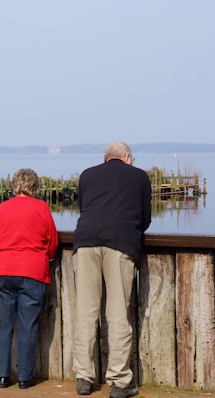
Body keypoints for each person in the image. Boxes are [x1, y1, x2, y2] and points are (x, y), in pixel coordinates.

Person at [72, 142, 151, 398]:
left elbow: (84, 208)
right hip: (120, 243)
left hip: (85, 242)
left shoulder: (87, 174)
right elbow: (145, 218)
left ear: (106, 158)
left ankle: (84, 378)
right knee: (117, 314)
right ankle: (119, 382)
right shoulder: (139, 176)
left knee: (86, 311)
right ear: (127, 157)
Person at [0, 168, 58, 389]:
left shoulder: (2, 208)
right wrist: (46, 256)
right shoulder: (42, 208)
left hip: (3, 270)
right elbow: (52, 242)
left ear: (15, 185)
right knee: (28, 326)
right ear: (35, 186)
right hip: (32, 270)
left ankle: (2, 375)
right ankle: (24, 378)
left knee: (4, 325)